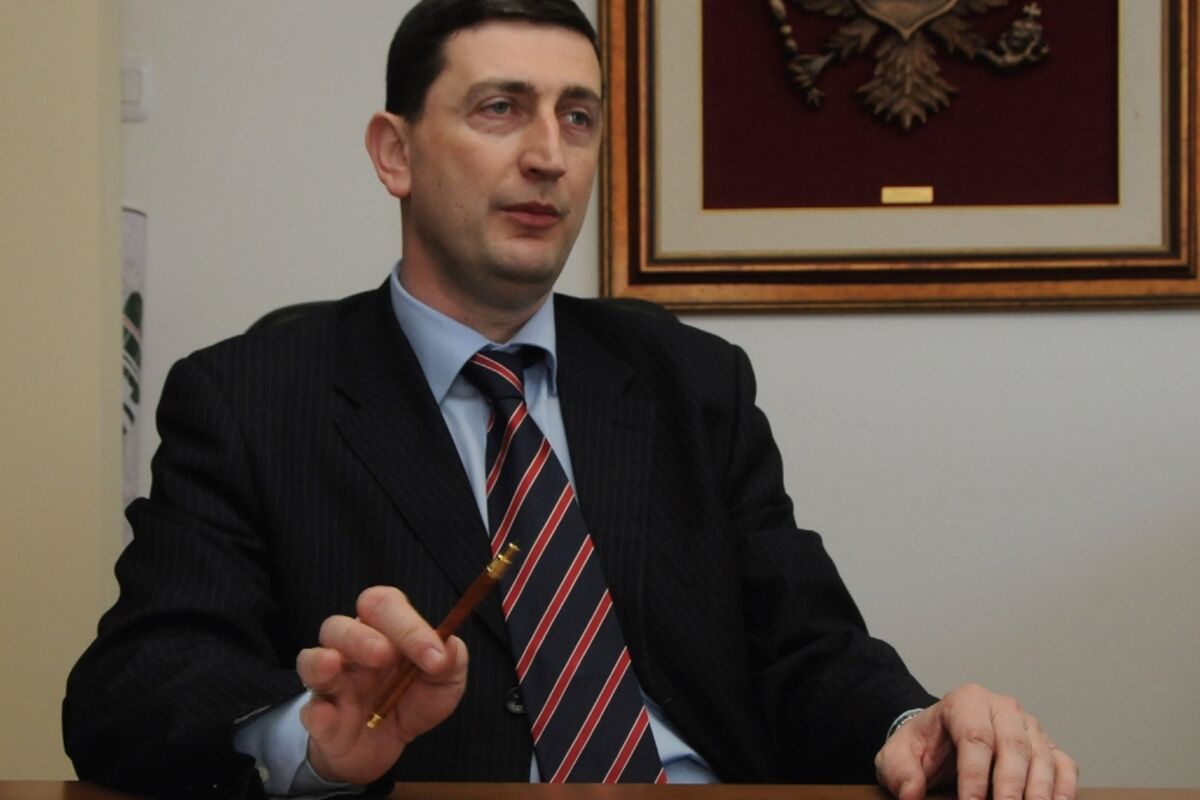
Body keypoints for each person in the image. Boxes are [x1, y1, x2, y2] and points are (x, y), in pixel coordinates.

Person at [63, 1, 1078, 799]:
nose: (550, 154)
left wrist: (912, 724)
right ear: (394, 152)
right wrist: (311, 740)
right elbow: (132, 686)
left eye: (578, 117)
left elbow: (806, 649)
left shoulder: (690, 379)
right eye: (500, 109)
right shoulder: (251, 398)